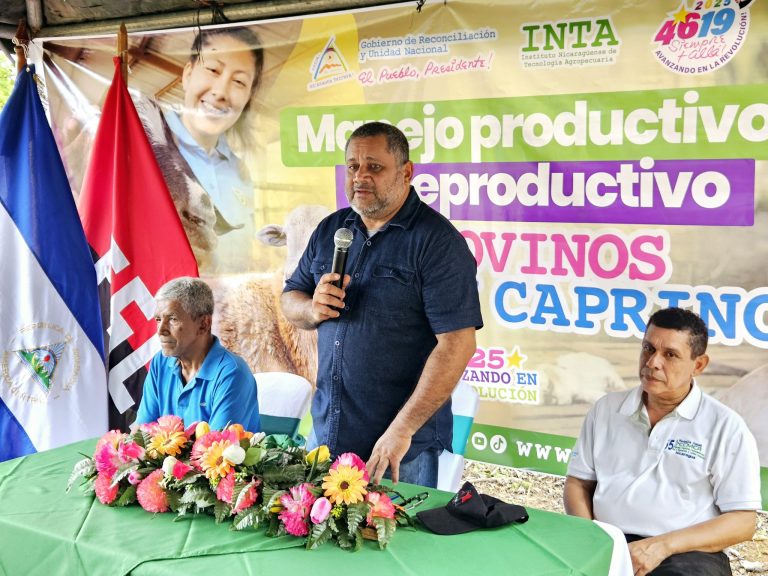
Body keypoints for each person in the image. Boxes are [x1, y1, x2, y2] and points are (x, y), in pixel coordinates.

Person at [280, 122, 482, 487]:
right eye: (353, 166)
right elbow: (291, 297)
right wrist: (311, 310)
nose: (360, 177)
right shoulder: (332, 230)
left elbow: (458, 344)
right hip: (327, 435)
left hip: (397, 450)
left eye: (374, 167)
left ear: (406, 172)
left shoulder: (438, 244)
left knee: (394, 545)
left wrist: (400, 431)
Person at [564, 307, 760, 576]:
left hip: (685, 552)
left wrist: (662, 546)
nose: (653, 362)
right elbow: (578, 483)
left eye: (670, 355)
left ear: (699, 365)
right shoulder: (606, 409)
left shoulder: (725, 427)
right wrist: (588, 539)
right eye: (648, 348)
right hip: (608, 541)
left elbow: (743, 521)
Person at [137, 26, 264, 273]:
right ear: (187, 75)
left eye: (239, 81)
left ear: (248, 97)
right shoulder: (144, 147)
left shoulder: (241, 172)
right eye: (213, 70)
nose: (220, 92)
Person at [135, 276, 260, 431]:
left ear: (203, 324)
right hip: (171, 455)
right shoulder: (160, 363)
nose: (161, 330)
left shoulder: (231, 373)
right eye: (158, 319)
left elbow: (216, 450)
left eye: (172, 319)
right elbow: (141, 433)